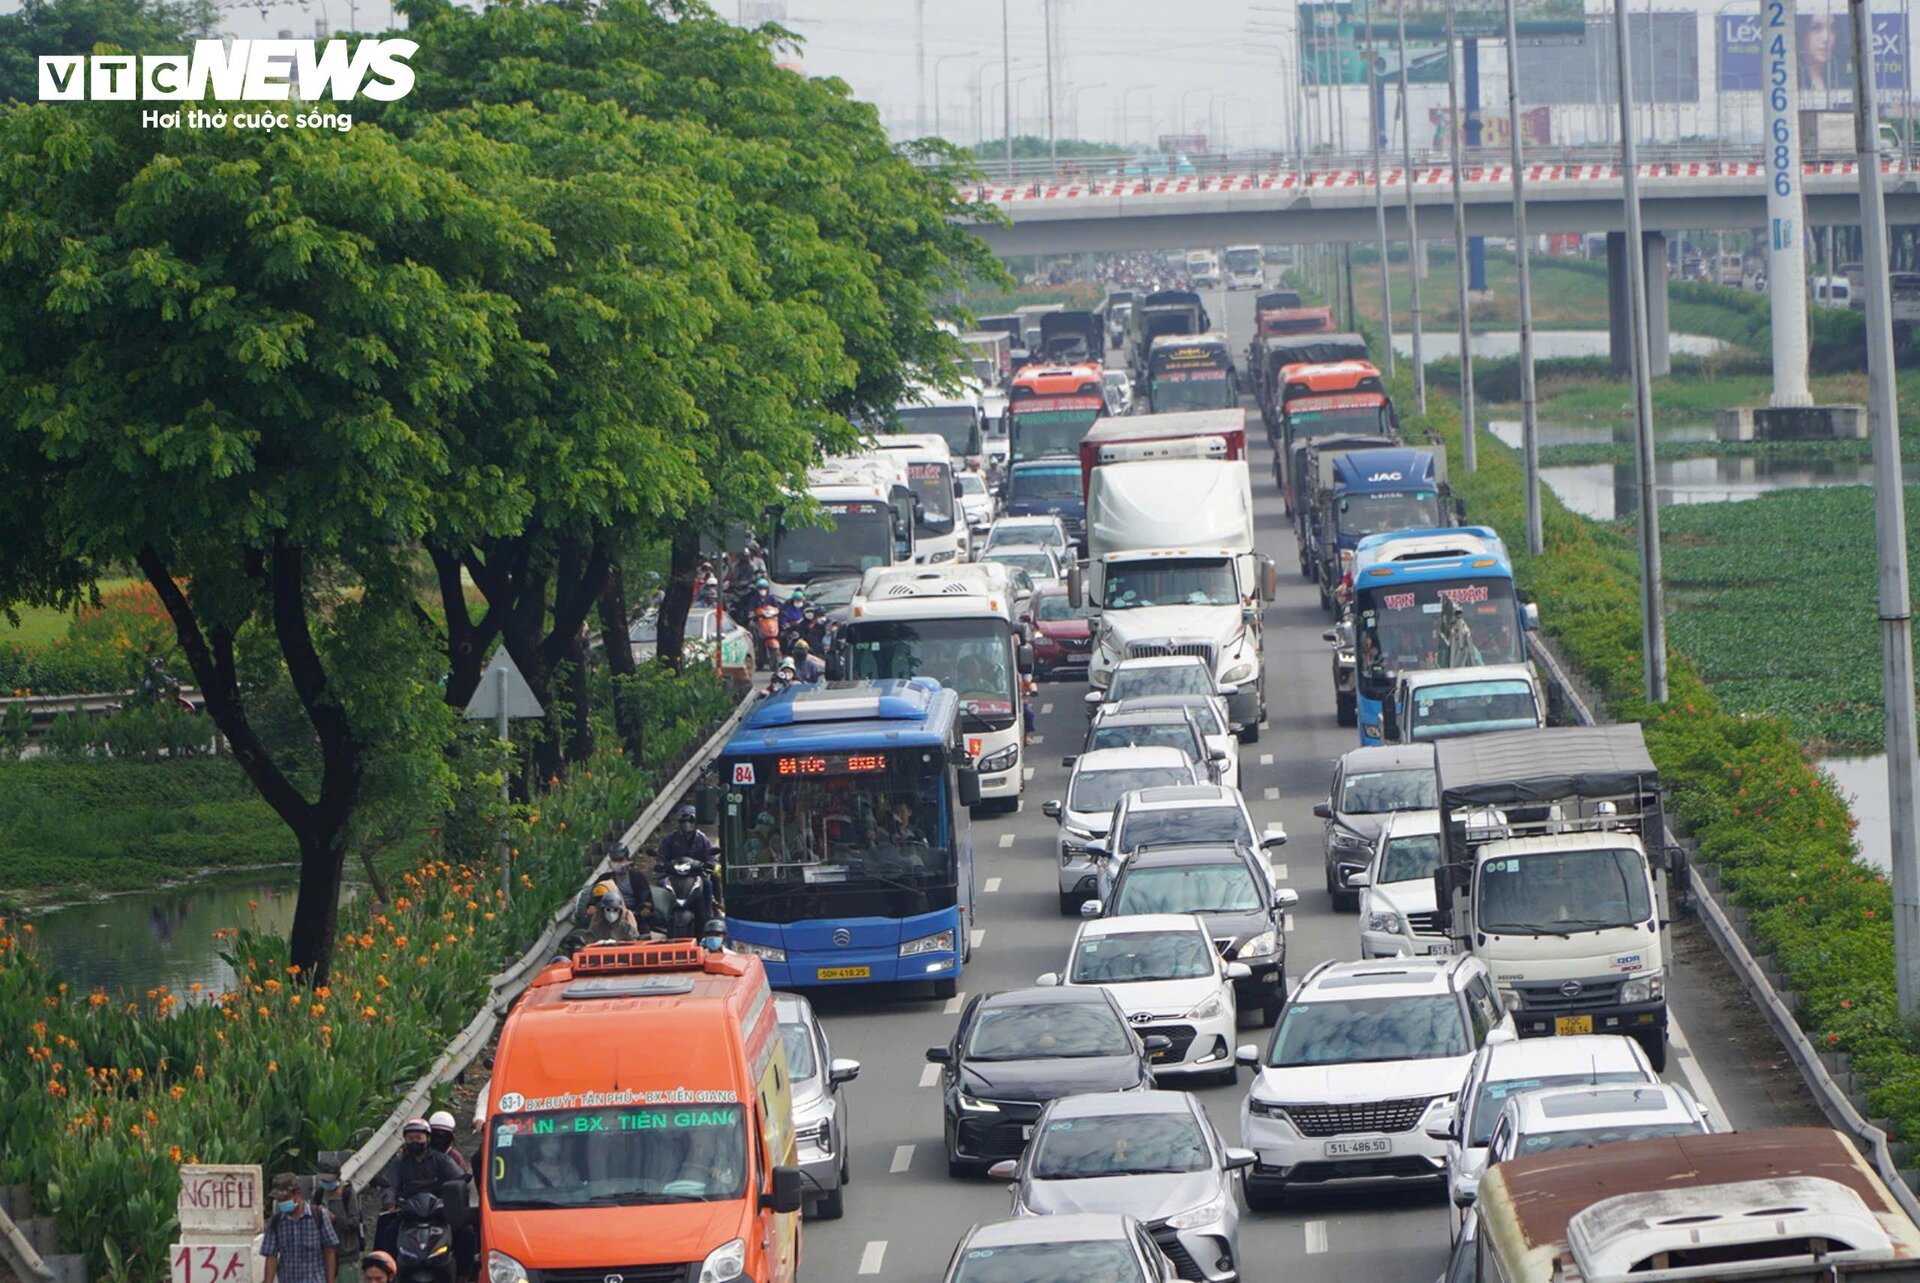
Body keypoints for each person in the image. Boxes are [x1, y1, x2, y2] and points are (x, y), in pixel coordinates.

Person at [373, 1118, 466, 1257]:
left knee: (466, 1233)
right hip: (408, 1213)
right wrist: (389, 1202)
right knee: (387, 1232)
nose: (415, 1141)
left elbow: (459, 1179)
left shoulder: (442, 1160)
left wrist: (454, 1199)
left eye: (418, 1137)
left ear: (428, 1138)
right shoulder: (398, 1164)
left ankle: (464, 1275)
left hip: (439, 1212)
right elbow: (389, 1184)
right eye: (410, 1138)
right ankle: (386, 1271)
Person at [262, 1171, 338, 1283]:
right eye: (279, 1200)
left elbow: (330, 1251)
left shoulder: (319, 1216)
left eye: (285, 1198)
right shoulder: (276, 1222)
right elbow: (271, 1256)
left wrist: (330, 1281)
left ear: (298, 1194)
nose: (281, 1202)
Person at [309, 1155, 362, 1271]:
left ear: (338, 1176)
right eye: (323, 1180)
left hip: (346, 1252)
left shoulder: (347, 1192)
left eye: (328, 1180)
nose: (325, 1182)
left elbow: (354, 1222)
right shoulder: (319, 1193)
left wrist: (335, 1219)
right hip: (324, 1251)